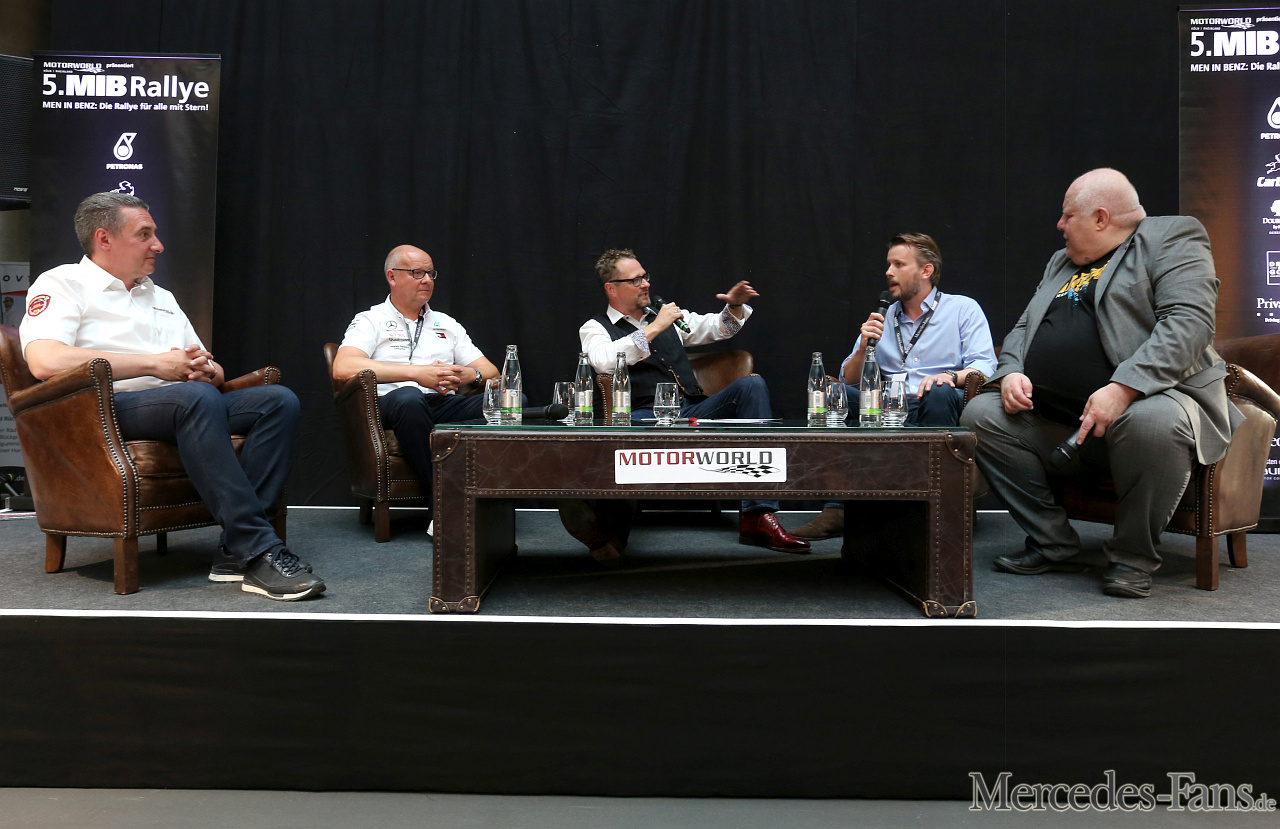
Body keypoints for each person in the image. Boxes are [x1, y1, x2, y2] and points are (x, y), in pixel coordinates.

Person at [20, 192, 324, 601]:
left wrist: (205, 369)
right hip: (103, 410)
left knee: (277, 401)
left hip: (182, 402)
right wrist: (154, 364)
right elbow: (45, 360)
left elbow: (208, 367)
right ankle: (258, 551)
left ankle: (232, 552)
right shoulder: (63, 283)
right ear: (104, 238)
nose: (158, 245)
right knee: (192, 398)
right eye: (144, 234)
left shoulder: (160, 296)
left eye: (155, 234)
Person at [959, 168, 1239, 598]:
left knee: (1152, 421)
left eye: (1067, 215)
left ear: (1101, 218)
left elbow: (1189, 323)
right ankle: (1054, 543)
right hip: (1061, 425)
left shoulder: (1169, 237)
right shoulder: (1061, 262)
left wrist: (1123, 387)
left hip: (1149, 405)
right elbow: (1024, 327)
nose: (1059, 225)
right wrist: (1011, 370)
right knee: (980, 414)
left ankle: (1133, 558)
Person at [578, 248, 810, 554]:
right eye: (635, 280)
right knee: (627, 436)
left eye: (644, 277)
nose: (645, 284)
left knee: (752, 385)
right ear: (612, 288)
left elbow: (719, 328)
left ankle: (758, 515)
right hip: (641, 418)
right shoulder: (595, 327)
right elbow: (603, 361)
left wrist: (734, 306)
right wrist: (656, 327)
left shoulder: (666, 317)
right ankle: (612, 532)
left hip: (691, 410)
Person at [789, 233, 997, 540]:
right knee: (837, 394)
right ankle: (838, 510)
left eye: (899, 264)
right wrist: (863, 347)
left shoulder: (962, 309)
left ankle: (937, 506)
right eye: (888, 264)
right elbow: (849, 378)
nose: (888, 272)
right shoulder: (882, 316)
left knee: (939, 393)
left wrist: (950, 377)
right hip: (890, 408)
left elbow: (986, 366)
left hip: (937, 403)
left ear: (926, 271)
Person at [332, 245, 499, 515]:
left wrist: (470, 375)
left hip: (440, 404)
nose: (427, 280)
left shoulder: (446, 323)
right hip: (390, 404)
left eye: (431, 273)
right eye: (417, 273)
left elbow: (492, 373)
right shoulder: (371, 320)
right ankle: (443, 502)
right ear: (392, 276)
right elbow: (343, 367)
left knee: (506, 403)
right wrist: (416, 373)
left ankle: (491, 501)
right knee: (409, 398)